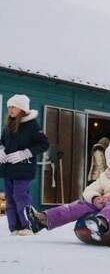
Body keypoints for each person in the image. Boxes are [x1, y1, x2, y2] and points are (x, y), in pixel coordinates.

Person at [25, 141, 110, 240]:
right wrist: (95, 198)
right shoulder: (105, 176)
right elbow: (89, 190)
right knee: (81, 204)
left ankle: (101, 224)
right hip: (105, 203)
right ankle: (42, 219)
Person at [0, 94, 50, 236]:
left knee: (20, 195)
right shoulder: (8, 125)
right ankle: (14, 227)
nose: (10, 109)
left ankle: (27, 225)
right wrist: (1, 150)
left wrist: (25, 153)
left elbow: (44, 144)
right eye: (9, 107)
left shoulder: (32, 125)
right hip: (8, 167)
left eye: (13, 106)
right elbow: (2, 141)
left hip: (23, 168)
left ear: (22, 108)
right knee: (10, 198)